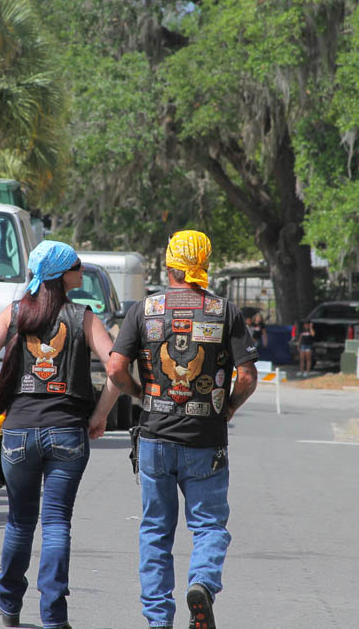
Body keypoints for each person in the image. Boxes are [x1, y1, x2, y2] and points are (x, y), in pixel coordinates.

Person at [106, 230, 258, 629]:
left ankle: (159, 621)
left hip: (155, 437)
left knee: (155, 532)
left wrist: (139, 395)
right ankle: (203, 584)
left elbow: (115, 368)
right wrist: (227, 408)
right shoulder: (225, 312)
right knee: (208, 525)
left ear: (170, 263)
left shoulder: (144, 309)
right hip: (205, 440)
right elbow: (246, 376)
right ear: (204, 263)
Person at [0, 240, 121, 629]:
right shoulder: (84, 318)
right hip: (68, 433)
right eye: (77, 265)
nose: (81, 270)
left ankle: (8, 605)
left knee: (20, 521)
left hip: (19, 432)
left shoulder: (14, 312)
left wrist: (0, 403)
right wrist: (99, 415)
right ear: (61, 275)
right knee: (56, 522)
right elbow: (117, 371)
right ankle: (54, 616)